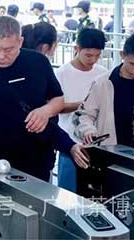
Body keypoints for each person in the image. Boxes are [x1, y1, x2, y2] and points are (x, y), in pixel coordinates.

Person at [0, 16, 90, 181]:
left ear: (20, 41)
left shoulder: (38, 63)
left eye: (9, 49)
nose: (1, 56)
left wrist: (45, 111)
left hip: (36, 158)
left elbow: (57, 100)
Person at [55, 28, 107, 192]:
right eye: (88, 55)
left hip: (94, 142)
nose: (93, 60)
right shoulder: (62, 73)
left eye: (97, 56)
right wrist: (84, 105)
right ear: (77, 49)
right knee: (68, 191)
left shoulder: (103, 73)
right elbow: (56, 107)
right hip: (69, 141)